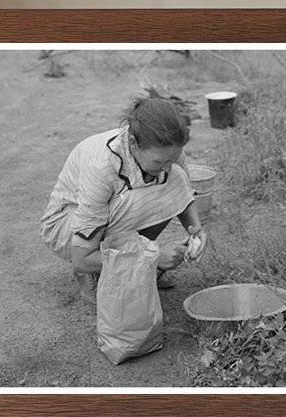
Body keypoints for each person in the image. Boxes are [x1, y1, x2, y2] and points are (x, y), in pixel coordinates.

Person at [40, 96, 207, 303]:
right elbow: (81, 258)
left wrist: (196, 231)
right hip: (67, 228)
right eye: (159, 161)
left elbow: (181, 190)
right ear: (133, 143)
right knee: (151, 196)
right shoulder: (101, 166)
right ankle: (93, 274)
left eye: (171, 159)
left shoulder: (167, 151)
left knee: (173, 179)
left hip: (112, 214)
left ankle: (129, 267)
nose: (166, 167)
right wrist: (153, 258)